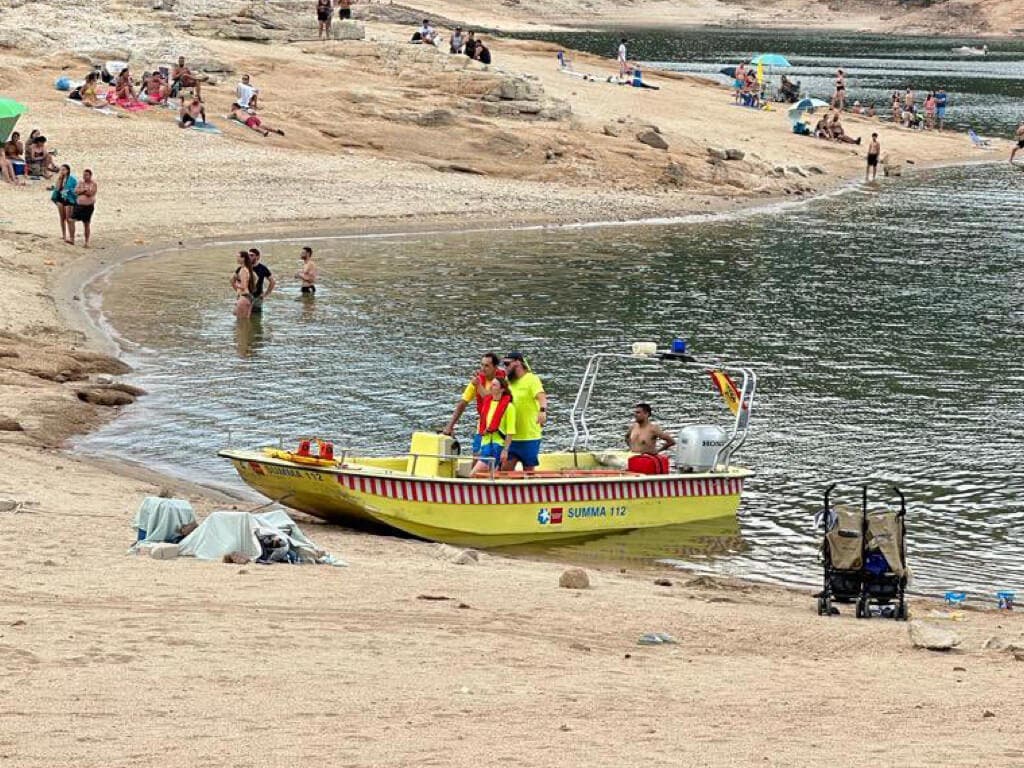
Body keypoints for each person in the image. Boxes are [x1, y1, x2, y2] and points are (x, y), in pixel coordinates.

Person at [442, 352, 506, 455]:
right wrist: (450, 426)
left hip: (501, 427)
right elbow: (463, 403)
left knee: (496, 458)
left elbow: (489, 398)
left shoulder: (503, 381)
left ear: (495, 367)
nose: (483, 368)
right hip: (483, 424)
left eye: (487, 366)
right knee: (476, 455)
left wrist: (478, 385)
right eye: (481, 365)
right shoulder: (477, 381)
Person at [501, 352, 546, 472]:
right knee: (504, 471)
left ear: (517, 362)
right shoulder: (508, 381)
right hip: (511, 437)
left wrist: (542, 411)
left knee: (528, 471)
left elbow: (541, 396)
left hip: (529, 436)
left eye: (507, 364)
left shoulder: (531, 379)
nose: (505, 367)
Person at [472, 377, 516, 474]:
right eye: (491, 384)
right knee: (490, 475)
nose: (491, 387)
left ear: (502, 389)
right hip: (486, 443)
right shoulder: (488, 403)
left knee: (474, 474)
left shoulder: (509, 407)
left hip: (498, 445)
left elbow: (510, 432)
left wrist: (505, 450)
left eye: (494, 385)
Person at [625, 403, 675, 475]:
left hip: (647, 462)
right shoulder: (633, 427)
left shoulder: (653, 429)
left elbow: (671, 441)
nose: (635, 414)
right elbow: (626, 438)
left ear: (646, 414)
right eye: (635, 412)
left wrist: (658, 451)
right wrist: (631, 447)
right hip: (634, 460)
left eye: (638, 412)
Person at [68, 168, 97, 247]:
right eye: (84, 175)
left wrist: (83, 191)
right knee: (71, 220)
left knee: (86, 223)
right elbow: (75, 191)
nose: (84, 176)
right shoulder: (80, 182)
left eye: (86, 175)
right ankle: (72, 239)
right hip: (79, 205)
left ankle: (87, 242)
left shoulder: (93, 184)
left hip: (88, 206)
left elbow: (91, 193)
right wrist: (83, 190)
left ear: (90, 175)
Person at [50, 164, 77, 243]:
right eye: (61, 170)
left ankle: (72, 237)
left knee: (69, 219)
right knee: (62, 218)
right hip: (61, 198)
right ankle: (64, 235)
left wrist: (69, 191)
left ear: (67, 170)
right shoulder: (61, 178)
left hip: (69, 199)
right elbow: (57, 189)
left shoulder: (72, 179)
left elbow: (75, 189)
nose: (62, 171)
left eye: (64, 170)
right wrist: (60, 179)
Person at [248, 247, 275, 313]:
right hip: (246, 296)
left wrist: (265, 294)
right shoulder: (244, 267)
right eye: (248, 255)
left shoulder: (262, 268)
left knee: (257, 317)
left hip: (257, 297)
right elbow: (233, 280)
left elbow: (272, 282)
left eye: (252, 255)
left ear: (257, 256)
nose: (249, 257)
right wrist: (239, 291)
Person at [232, 250, 257, 319]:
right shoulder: (248, 269)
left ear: (243, 258)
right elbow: (254, 279)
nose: (237, 258)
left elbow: (243, 286)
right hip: (247, 297)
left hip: (244, 297)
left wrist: (235, 283)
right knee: (244, 323)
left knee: (241, 324)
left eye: (238, 257)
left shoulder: (243, 270)